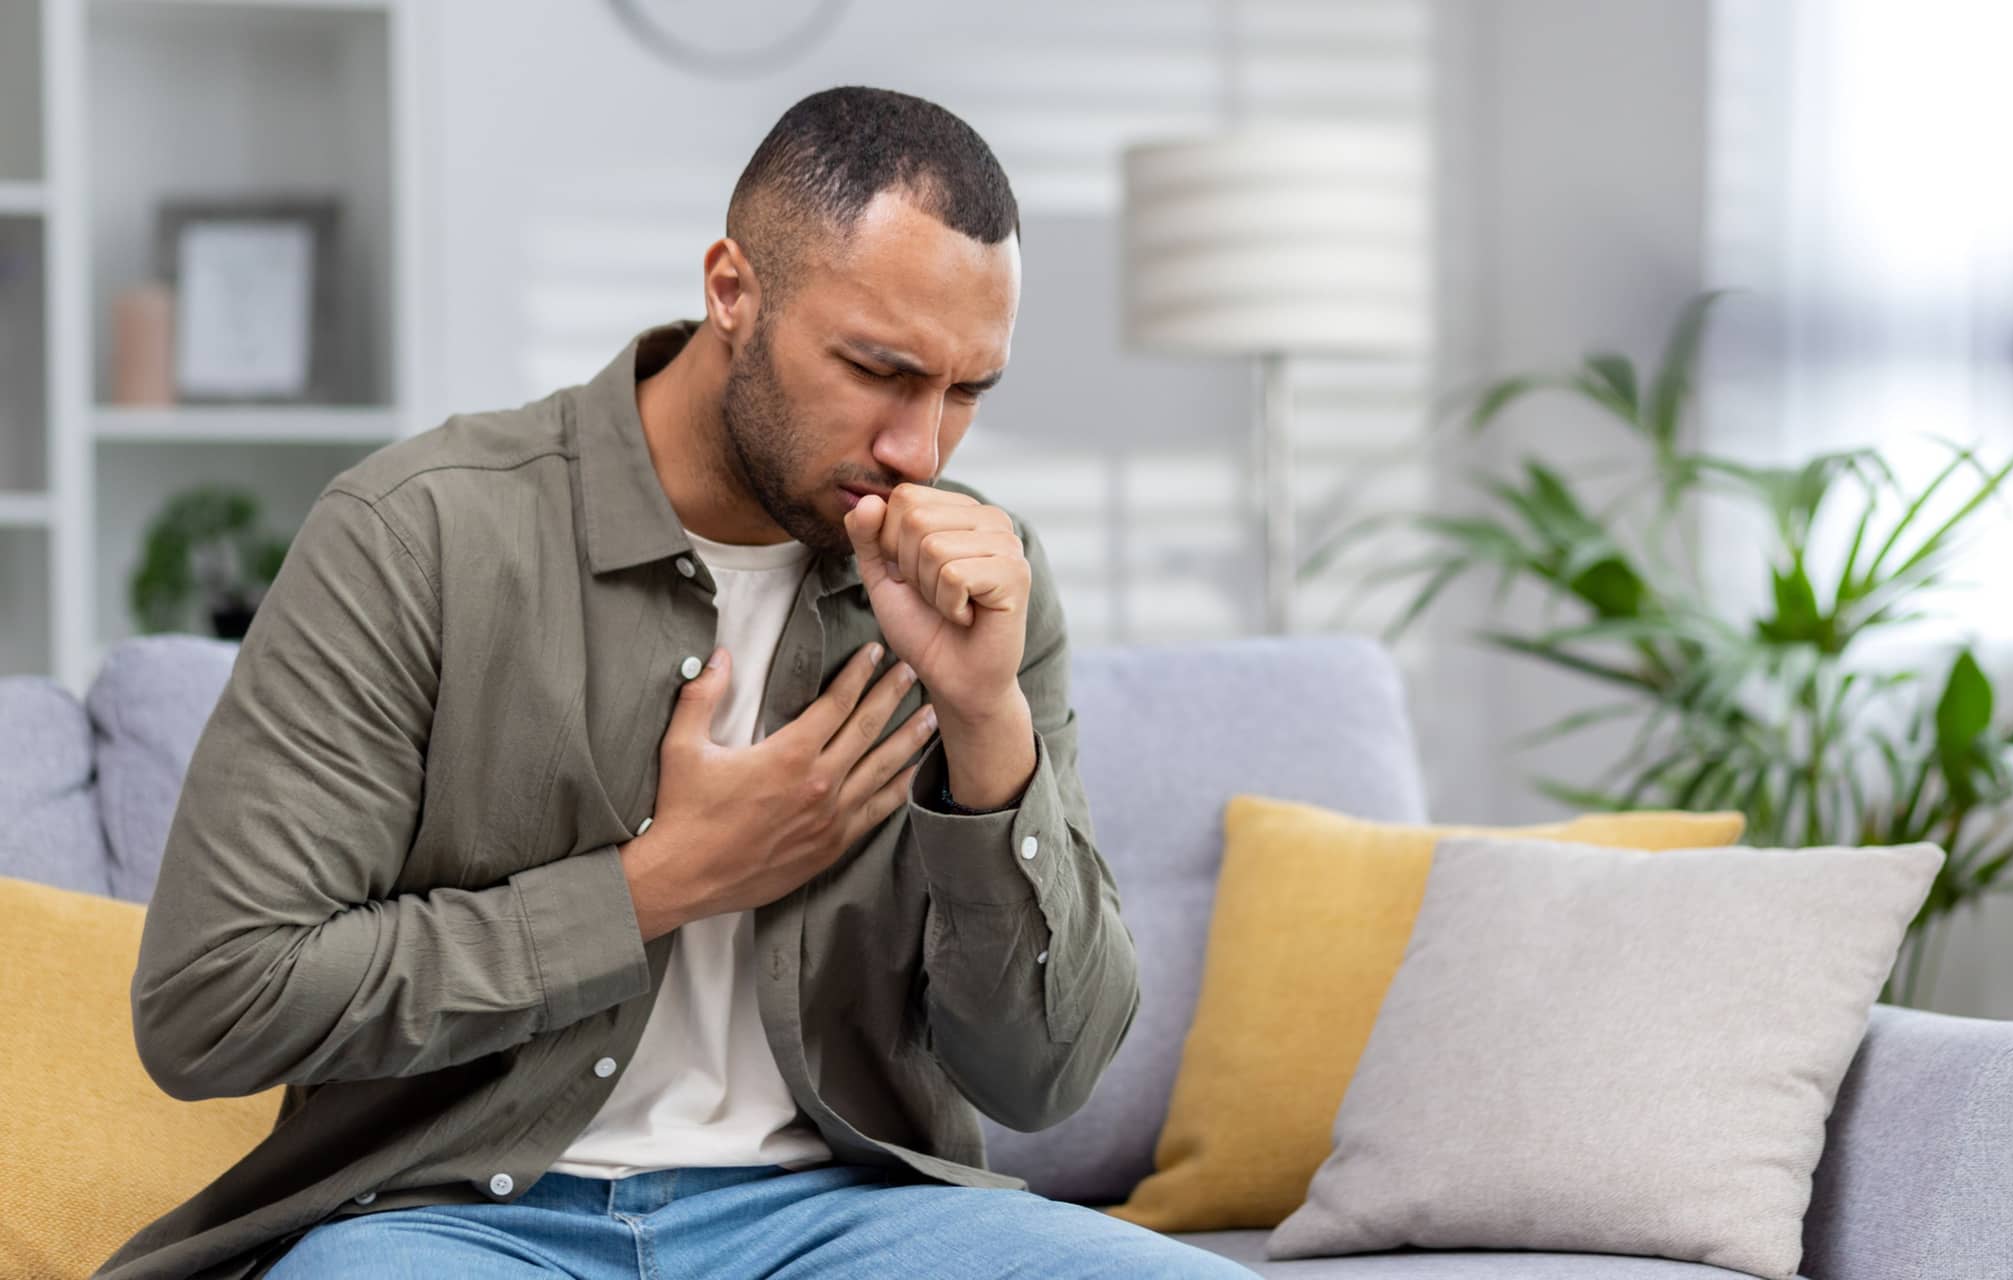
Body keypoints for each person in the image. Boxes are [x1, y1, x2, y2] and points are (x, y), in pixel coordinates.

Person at [96, 86, 1254, 1279]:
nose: (920, 448)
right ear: (730, 290)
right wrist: (652, 885)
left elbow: (1042, 1075)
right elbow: (214, 1000)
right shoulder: (418, 534)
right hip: (444, 1220)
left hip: (841, 1216)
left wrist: (984, 728)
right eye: (876, 368)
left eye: (964, 392)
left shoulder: (981, 584)